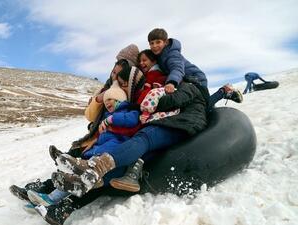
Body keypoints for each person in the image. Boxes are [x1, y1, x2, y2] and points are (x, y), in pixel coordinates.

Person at [52, 63, 208, 205]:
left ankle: (96, 171)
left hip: (180, 125)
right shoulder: (189, 92)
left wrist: (153, 100)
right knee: (138, 145)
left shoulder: (189, 87)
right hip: (175, 124)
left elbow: (173, 101)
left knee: (143, 139)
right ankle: (88, 179)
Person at [24, 81, 140, 208]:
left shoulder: (129, 112)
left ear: (120, 100)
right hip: (98, 152)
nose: (107, 103)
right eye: (106, 101)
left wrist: (110, 120)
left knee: (80, 179)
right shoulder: (108, 116)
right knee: (75, 178)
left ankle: (51, 199)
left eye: (110, 99)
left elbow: (131, 120)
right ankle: (50, 199)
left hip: (107, 155)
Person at [147, 28, 243, 109]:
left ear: (166, 42)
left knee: (203, 106)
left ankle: (224, 91)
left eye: (158, 42)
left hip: (196, 79)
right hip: (187, 81)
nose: (154, 46)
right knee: (201, 104)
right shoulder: (160, 56)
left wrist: (171, 82)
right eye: (152, 43)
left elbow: (177, 68)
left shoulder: (172, 54)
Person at [135, 49, 180, 124]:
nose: (141, 63)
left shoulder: (154, 73)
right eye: (140, 61)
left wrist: (137, 104)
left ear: (154, 61)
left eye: (144, 60)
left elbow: (147, 90)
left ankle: (146, 113)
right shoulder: (148, 74)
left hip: (155, 99)